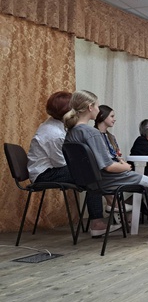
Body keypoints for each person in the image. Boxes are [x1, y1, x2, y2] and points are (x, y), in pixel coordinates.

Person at [63, 90, 148, 239]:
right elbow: (109, 166)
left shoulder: (71, 132)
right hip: (108, 179)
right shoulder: (91, 133)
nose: (98, 109)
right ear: (90, 107)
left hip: (90, 182)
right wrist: (126, 167)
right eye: (97, 106)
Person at [27, 91, 117, 238]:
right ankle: (101, 218)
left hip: (52, 168)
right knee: (92, 174)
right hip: (44, 174)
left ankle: (110, 206)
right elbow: (61, 162)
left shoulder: (59, 125)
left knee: (92, 171)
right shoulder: (54, 133)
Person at [94, 105, 133, 219]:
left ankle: (115, 205)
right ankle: (114, 203)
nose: (114, 119)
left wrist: (120, 159)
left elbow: (116, 154)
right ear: (102, 116)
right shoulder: (94, 135)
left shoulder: (110, 137)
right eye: (112, 116)